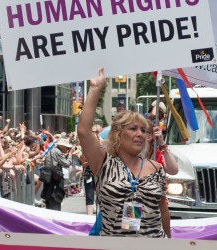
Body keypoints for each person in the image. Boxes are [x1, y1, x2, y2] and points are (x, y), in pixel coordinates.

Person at [78, 68, 167, 238]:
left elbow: (163, 212)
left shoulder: (156, 169)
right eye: (133, 129)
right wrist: (96, 89)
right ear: (118, 134)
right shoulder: (104, 164)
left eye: (143, 130)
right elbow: (83, 131)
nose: (140, 134)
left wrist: (171, 244)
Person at [40, 137, 72, 211]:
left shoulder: (52, 150)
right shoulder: (57, 152)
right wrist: (70, 155)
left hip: (48, 179)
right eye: (67, 147)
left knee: (50, 201)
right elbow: (67, 163)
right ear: (63, 146)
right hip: (55, 180)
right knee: (55, 202)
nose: (67, 149)